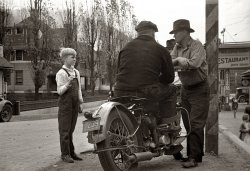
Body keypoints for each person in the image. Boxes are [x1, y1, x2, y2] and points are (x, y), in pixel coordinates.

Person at [114, 20, 179, 129]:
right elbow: (169, 78)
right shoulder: (161, 50)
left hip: (120, 92)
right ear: (153, 33)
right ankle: (167, 126)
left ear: (138, 33)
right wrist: (158, 79)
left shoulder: (125, 48)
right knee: (172, 89)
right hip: (145, 92)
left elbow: (119, 71)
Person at [170, 19, 209, 168]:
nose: (174, 36)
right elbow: (170, 61)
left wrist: (179, 60)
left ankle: (194, 157)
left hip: (199, 88)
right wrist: (178, 61)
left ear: (185, 32)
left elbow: (194, 64)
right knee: (187, 123)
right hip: (186, 88)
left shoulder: (197, 45)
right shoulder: (177, 46)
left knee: (196, 123)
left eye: (176, 33)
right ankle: (194, 155)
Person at [56, 48, 84, 163]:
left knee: (71, 130)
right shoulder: (61, 73)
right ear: (65, 58)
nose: (74, 59)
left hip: (74, 104)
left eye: (75, 57)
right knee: (64, 131)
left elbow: (79, 90)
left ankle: (71, 153)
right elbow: (59, 91)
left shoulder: (76, 72)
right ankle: (65, 154)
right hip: (65, 106)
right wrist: (67, 84)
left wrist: (81, 102)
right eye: (72, 57)